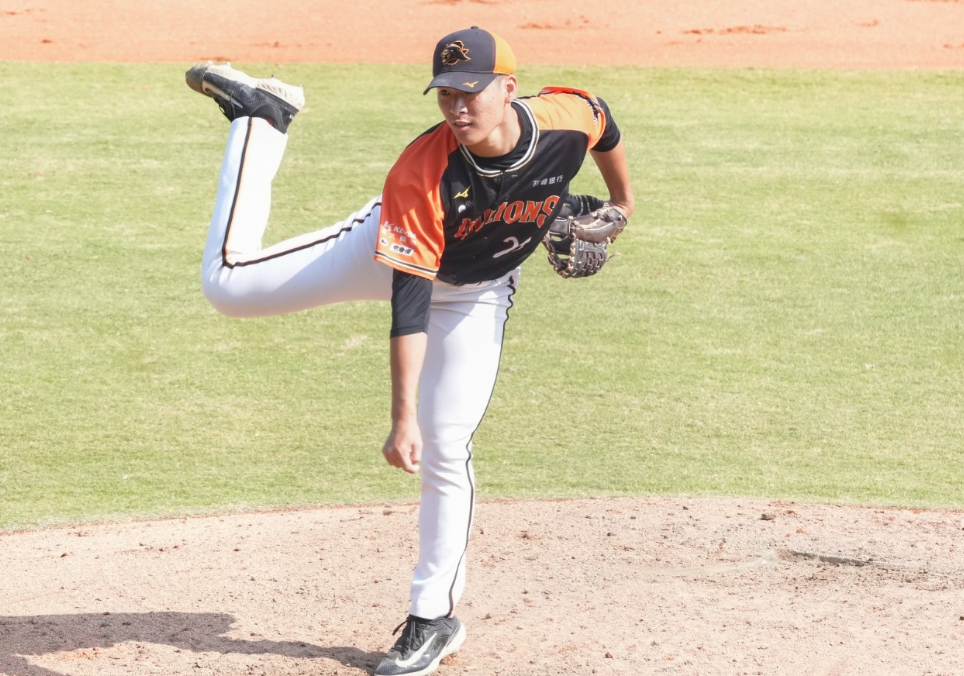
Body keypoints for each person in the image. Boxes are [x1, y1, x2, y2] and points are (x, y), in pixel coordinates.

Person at [186, 25, 634, 676]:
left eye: (471, 92)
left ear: (508, 88)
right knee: (227, 286)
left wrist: (623, 204)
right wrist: (402, 419)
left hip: (477, 294)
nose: (457, 107)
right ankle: (261, 118)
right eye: (446, 93)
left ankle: (433, 618)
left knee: (448, 444)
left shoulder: (562, 120)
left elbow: (603, 120)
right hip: (384, 254)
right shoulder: (424, 171)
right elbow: (411, 304)